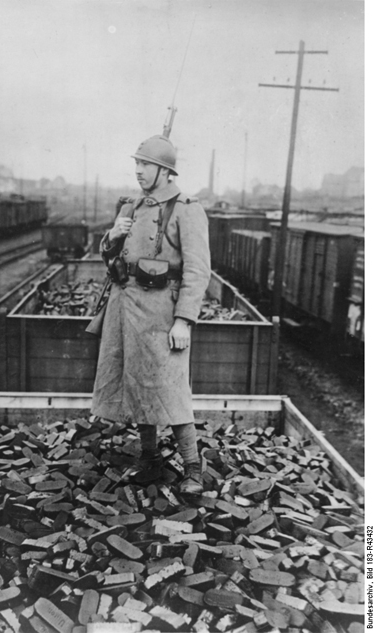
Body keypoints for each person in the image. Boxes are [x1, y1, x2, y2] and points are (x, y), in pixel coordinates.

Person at [91, 134, 211, 495]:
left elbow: (198, 270)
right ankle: (150, 459)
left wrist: (184, 320)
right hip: (125, 308)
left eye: (144, 165)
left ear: (165, 170)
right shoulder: (131, 207)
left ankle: (192, 466)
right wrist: (112, 235)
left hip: (162, 314)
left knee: (170, 389)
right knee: (134, 383)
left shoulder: (187, 209)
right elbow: (111, 257)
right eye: (137, 164)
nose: (138, 171)